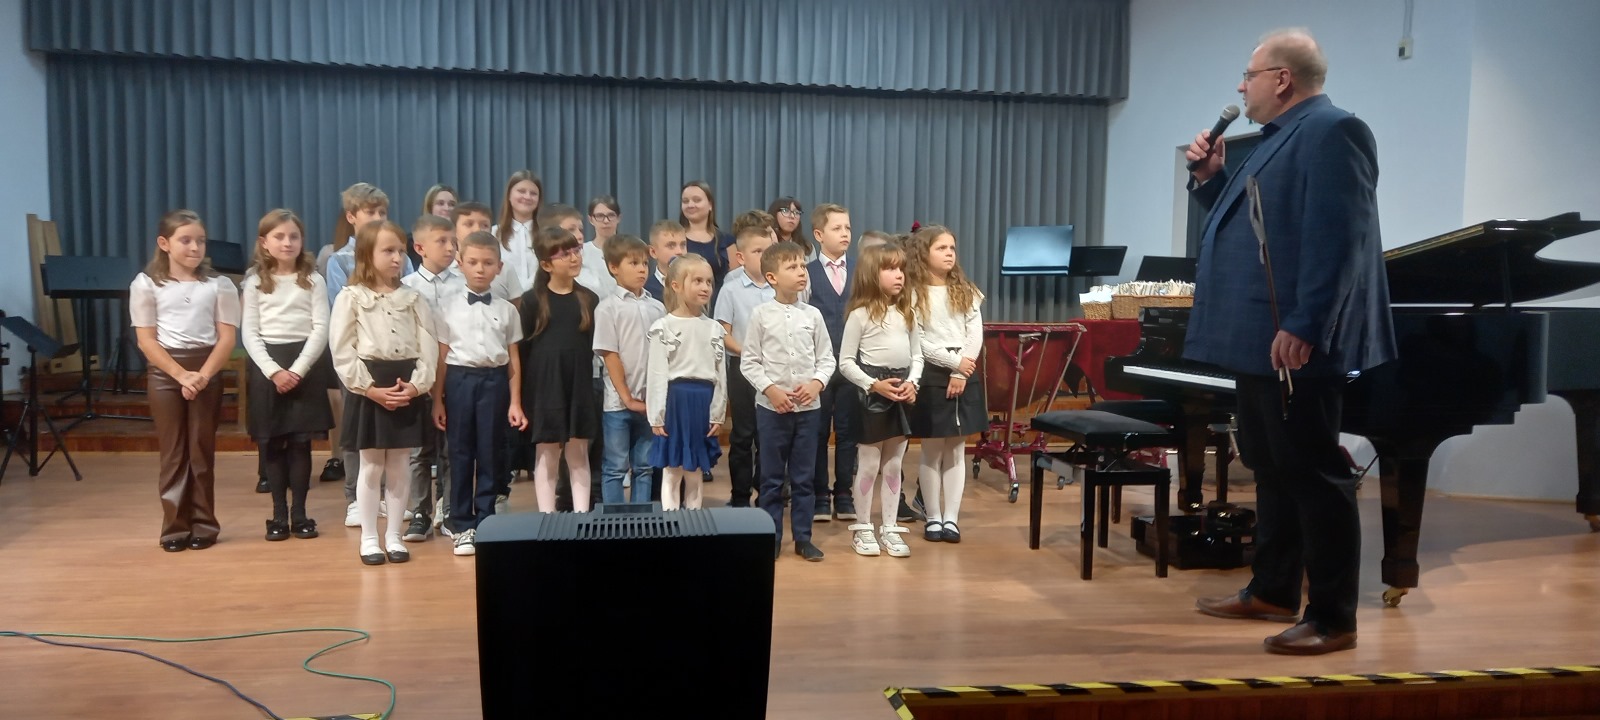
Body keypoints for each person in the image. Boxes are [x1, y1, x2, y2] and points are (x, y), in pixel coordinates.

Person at [1186, 28, 1392, 656]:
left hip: (1293, 337)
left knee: (1314, 474)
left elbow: (1341, 237)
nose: (1240, 86)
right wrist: (1213, 180)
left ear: (1282, 79)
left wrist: (1306, 323)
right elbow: (1259, 229)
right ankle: (1273, 590)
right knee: (1271, 467)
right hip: (1258, 337)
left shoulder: (1333, 131)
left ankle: (1333, 618)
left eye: (1248, 75)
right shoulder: (1278, 138)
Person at [131, 210, 240, 552]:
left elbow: (226, 338)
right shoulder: (146, 284)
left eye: (201, 241)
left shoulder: (219, 285)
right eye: (186, 240)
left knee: (201, 450)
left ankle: (204, 524)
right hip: (166, 374)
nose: (195, 247)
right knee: (174, 452)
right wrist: (180, 375)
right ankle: (174, 526)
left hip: (206, 370)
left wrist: (202, 376)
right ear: (164, 243)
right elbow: (146, 340)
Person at [330, 220, 438, 565]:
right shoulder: (351, 297)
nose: (397, 258)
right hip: (371, 386)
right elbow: (342, 350)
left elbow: (429, 345)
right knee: (372, 464)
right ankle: (369, 537)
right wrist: (369, 389)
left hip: (405, 384)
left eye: (400, 251)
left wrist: (417, 385)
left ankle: (394, 535)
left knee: (400, 463)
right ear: (367, 254)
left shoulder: (413, 298)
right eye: (388, 251)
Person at [432, 231, 527, 556]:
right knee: (460, 452)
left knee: (490, 451)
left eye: (487, 263)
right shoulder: (446, 307)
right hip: (459, 380)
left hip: (494, 381)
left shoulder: (508, 310)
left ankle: (486, 520)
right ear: (460, 264)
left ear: (499, 267)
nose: (480, 269)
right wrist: (437, 400)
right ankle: (461, 523)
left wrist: (515, 401)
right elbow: (442, 357)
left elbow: (513, 359)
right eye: (472, 262)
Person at [242, 209, 334, 542]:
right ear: (264, 242)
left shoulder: (313, 279)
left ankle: (300, 513)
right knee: (273, 443)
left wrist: (296, 370)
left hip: (304, 365)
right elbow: (250, 332)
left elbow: (321, 328)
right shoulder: (254, 281)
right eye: (279, 236)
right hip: (268, 367)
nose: (287, 242)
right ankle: (278, 514)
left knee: (300, 444)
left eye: (293, 236)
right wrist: (273, 371)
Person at [742, 241, 836, 561]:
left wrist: (816, 383)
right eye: (792, 267)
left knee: (803, 477)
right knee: (770, 478)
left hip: (808, 411)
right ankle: (770, 537)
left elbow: (827, 359)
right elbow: (749, 362)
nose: (801, 272)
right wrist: (771, 390)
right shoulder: (760, 315)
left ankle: (803, 538)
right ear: (772, 277)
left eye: (802, 266)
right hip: (772, 410)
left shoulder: (813, 315)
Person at [839, 244, 922, 558]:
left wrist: (913, 383)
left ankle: (889, 527)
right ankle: (863, 527)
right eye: (890, 269)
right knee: (870, 463)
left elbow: (918, 356)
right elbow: (845, 362)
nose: (899, 275)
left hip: (901, 391)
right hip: (872, 395)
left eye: (901, 268)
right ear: (871, 275)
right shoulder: (859, 315)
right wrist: (873, 385)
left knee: (894, 464)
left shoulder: (907, 312)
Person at [905, 225, 986, 545]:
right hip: (934, 372)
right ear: (923, 253)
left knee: (956, 449)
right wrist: (953, 364)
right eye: (941, 248)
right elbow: (919, 339)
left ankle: (951, 518)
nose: (949, 253)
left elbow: (974, 333)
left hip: (964, 370)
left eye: (952, 248)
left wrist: (962, 372)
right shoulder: (914, 292)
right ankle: (933, 516)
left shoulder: (965, 289)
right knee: (932, 448)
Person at [520, 227, 602, 513]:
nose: (574, 258)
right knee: (547, 452)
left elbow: (591, 345)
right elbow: (523, 350)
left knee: (578, 452)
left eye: (576, 250)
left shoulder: (589, 299)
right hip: (545, 387)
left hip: (578, 384)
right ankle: (547, 517)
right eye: (564, 254)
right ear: (546, 264)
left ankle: (581, 516)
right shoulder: (532, 301)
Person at [646, 254, 727, 510]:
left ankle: (693, 522)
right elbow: (657, 373)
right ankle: (671, 523)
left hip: (703, 402)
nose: (705, 287)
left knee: (695, 470)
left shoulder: (714, 328)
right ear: (676, 285)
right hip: (675, 402)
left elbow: (720, 375)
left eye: (709, 282)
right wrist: (656, 415)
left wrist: (718, 412)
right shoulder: (663, 327)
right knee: (673, 470)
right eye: (698, 281)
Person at [398, 214, 461, 541]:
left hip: (455, 377)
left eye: (453, 242)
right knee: (419, 451)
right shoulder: (407, 287)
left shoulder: (463, 284)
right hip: (418, 379)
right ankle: (420, 512)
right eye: (442, 242)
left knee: (452, 449)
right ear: (420, 248)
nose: (450, 248)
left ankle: (449, 510)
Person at [594, 235, 664, 504]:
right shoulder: (607, 308)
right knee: (615, 466)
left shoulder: (656, 307)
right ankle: (614, 522)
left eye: (645, 263)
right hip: (619, 403)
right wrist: (627, 397)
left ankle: (641, 520)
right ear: (613, 267)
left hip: (648, 402)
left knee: (644, 466)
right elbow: (610, 355)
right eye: (633, 263)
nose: (642, 269)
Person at [714, 219, 776, 507]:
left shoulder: (780, 287)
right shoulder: (731, 290)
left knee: (768, 435)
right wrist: (749, 353)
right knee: (743, 434)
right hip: (741, 369)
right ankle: (739, 496)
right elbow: (722, 332)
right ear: (741, 257)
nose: (765, 256)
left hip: (773, 370)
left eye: (769, 250)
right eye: (758, 251)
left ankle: (767, 494)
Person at [806, 203, 859, 522]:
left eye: (848, 227)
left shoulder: (860, 270)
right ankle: (819, 495)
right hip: (819, 368)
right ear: (818, 234)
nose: (844, 233)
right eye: (837, 228)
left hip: (852, 366)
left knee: (848, 431)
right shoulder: (807, 273)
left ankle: (844, 493)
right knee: (817, 431)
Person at [493, 170, 544, 292]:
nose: (527, 197)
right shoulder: (493, 234)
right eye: (521, 191)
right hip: (502, 298)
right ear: (509, 195)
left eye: (533, 193)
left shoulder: (547, 235)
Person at [679, 181, 734, 291]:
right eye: (685, 201)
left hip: (720, 300)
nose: (690, 205)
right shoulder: (676, 239)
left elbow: (735, 280)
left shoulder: (727, 240)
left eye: (697, 200)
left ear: (710, 205)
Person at [645, 219, 688, 302]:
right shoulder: (645, 289)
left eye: (683, 245)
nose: (679, 251)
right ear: (653, 252)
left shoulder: (695, 285)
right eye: (671, 246)